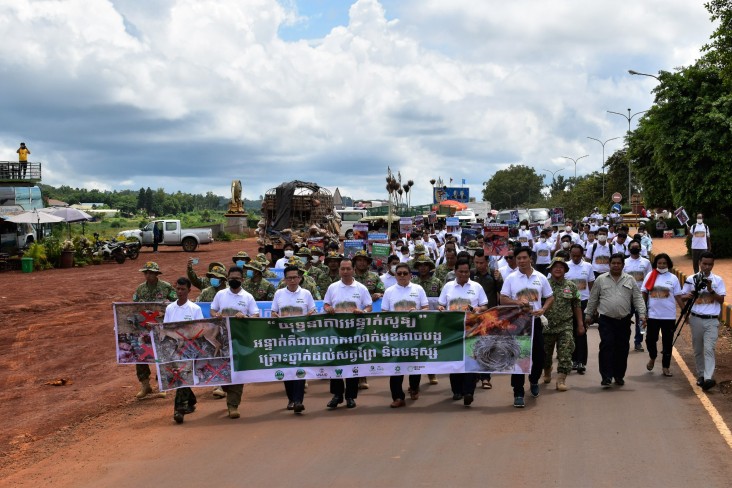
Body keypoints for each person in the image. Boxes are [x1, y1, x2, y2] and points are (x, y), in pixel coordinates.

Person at [500, 247, 554, 408]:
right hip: (517, 323)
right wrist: (517, 302)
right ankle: (518, 392)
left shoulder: (541, 277)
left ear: (531, 258)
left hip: (535, 321)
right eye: (519, 259)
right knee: (518, 357)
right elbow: (503, 298)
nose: (521, 261)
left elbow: (550, 297)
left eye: (524, 258)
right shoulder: (511, 278)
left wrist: (543, 309)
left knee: (539, 355)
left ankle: (534, 380)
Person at [585, 253, 647, 388]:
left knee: (622, 348)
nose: (616, 265)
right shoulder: (601, 280)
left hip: (624, 321)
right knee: (607, 346)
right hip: (606, 320)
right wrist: (588, 315)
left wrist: (642, 314)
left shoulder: (630, 280)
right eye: (613, 263)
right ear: (609, 264)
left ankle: (619, 375)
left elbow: (637, 299)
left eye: (619, 263)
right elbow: (593, 299)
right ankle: (606, 376)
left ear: (623, 265)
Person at [210, 266, 260, 419]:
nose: (234, 280)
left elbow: (256, 316)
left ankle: (233, 405)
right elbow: (212, 310)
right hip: (221, 340)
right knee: (224, 372)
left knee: (237, 373)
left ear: (242, 280)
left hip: (240, 341)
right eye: (231, 278)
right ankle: (226, 389)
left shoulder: (248, 297)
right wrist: (216, 314)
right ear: (227, 278)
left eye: (237, 278)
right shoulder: (220, 294)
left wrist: (245, 318)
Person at [323, 258, 373, 409]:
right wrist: (328, 308)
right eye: (342, 269)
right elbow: (326, 304)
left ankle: (350, 396)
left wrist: (363, 311)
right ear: (339, 271)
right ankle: (337, 395)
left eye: (348, 269)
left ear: (353, 270)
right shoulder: (332, 287)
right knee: (335, 363)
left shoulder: (361, 288)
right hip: (335, 333)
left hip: (355, 332)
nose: (345, 271)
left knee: (352, 364)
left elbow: (369, 306)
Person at [437, 258, 488, 406]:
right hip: (452, 330)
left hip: (472, 329)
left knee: (471, 359)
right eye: (461, 271)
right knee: (455, 361)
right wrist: (441, 308)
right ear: (455, 271)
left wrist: (478, 309)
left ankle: (468, 392)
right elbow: (441, 304)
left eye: (466, 271)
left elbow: (484, 306)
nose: (464, 274)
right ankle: (456, 390)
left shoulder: (477, 287)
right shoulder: (448, 287)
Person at [271, 265, 316, 414]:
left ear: (300, 278)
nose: (292, 280)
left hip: (301, 338)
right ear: (284, 279)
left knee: (299, 367)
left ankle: (298, 401)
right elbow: (273, 312)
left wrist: (311, 313)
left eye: (295, 277)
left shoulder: (306, 293)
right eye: (289, 278)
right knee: (287, 369)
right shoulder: (279, 294)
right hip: (283, 338)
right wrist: (275, 316)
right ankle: (291, 399)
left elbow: (313, 311)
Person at [383, 263, 429, 408]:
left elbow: (426, 308)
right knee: (396, 365)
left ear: (410, 275)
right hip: (396, 335)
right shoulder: (389, 291)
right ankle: (397, 397)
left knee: (414, 363)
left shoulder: (418, 289)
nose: (402, 276)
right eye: (399, 273)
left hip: (415, 333)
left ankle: (414, 388)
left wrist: (417, 311)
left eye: (405, 273)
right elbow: (384, 312)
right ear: (395, 276)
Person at [681, 251, 726, 391]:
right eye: (704, 264)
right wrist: (689, 295)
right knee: (698, 349)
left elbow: (721, 300)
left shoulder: (718, 280)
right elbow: (682, 297)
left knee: (709, 348)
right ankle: (701, 375)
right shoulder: (691, 279)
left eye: (710, 264)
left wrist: (711, 289)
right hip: (696, 319)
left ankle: (708, 378)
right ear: (699, 263)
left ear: (713, 265)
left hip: (712, 320)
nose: (707, 267)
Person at [132, 261, 177, 399]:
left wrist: (167, 308)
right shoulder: (140, 289)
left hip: (161, 327)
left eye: (151, 272)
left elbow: (176, 302)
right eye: (146, 272)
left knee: (161, 354)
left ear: (157, 274)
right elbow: (133, 307)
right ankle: (145, 385)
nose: (149, 275)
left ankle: (162, 385)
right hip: (144, 328)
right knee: (141, 355)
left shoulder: (166, 287)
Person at [165, 277, 205, 424]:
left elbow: (199, 330)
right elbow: (166, 328)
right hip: (174, 349)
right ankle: (191, 399)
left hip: (189, 348)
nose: (180, 292)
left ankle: (179, 410)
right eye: (178, 289)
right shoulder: (170, 308)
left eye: (183, 289)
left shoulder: (195, 309)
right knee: (179, 376)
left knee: (182, 375)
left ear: (189, 290)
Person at [543, 257, 584, 391]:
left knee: (566, 352)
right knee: (545, 354)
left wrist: (580, 324)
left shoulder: (571, 286)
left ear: (565, 270)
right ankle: (547, 369)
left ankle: (561, 379)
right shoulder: (544, 284)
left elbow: (577, 305)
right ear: (550, 269)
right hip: (546, 327)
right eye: (555, 266)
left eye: (561, 266)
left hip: (565, 326)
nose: (558, 269)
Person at [641, 254, 684, 377]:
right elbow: (644, 292)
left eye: (664, 263)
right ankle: (653, 357)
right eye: (659, 263)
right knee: (650, 339)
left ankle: (666, 367)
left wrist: (684, 311)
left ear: (668, 264)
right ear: (656, 264)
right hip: (653, 315)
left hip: (668, 316)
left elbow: (678, 296)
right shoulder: (650, 275)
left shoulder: (673, 278)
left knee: (667, 342)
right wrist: (643, 310)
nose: (662, 265)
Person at [471, 249, 503, 389]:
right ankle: (474, 375)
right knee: (473, 346)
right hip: (472, 317)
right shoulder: (471, 274)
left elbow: (501, 292)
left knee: (488, 347)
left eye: (481, 262)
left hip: (489, 315)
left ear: (487, 262)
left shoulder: (493, 274)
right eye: (476, 262)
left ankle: (486, 377)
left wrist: (499, 279)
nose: (479, 265)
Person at [566, 244, 594, 374]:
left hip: (583, 302)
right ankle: (573, 360)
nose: (576, 258)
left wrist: (593, 306)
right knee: (570, 333)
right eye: (573, 255)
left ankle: (582, 361)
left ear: (583, 254)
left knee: (581, 331)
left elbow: (591, 286)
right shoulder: (565, 266)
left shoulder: (588, 267)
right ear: (570, 254)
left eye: (578, 255)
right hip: (568, 304)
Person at [624, 240, 652, 352]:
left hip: (641, 296)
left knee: (641, 321)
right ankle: (624, 341)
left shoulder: (646, 262)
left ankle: (638, 342)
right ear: (629, 249)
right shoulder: (625, 262)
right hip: (627, 296)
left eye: (637, 247)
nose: (635, 248)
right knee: (625, 320)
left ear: (640, 249)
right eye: (632, 247)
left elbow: (649, 278)